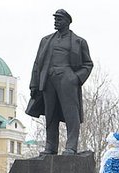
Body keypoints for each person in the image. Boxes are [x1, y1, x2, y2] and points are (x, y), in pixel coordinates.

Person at [28, 9, 93, 155]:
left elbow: (88, 64)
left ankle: (71, 146)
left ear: (68, 22)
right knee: (50, 114)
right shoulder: (46, 40)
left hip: (67, 80)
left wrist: (76, 78)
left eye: (59, 19)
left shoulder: (79, 42)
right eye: (55, 19)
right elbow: (37, 64)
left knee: (71, 114)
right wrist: (34, 84)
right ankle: (50, 147)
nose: (56, 21)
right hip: (48, 80)